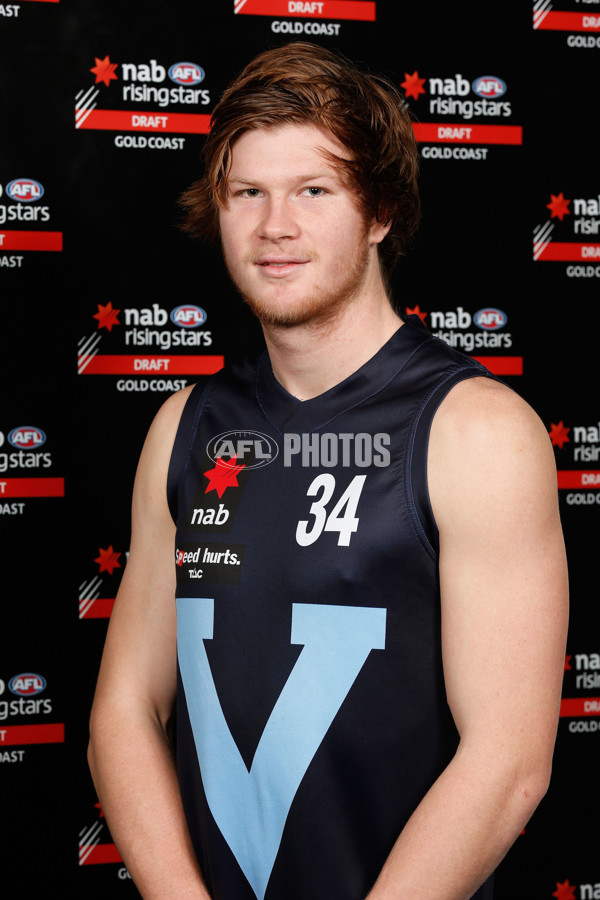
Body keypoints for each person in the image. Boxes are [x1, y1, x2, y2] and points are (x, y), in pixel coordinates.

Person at [88, 42, 568, 900]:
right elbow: (123, 710)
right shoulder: (185, 429)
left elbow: (509, 764)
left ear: (379, 210)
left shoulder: (477, 432)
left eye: (314, 190)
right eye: (249, 193)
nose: (276, 226)